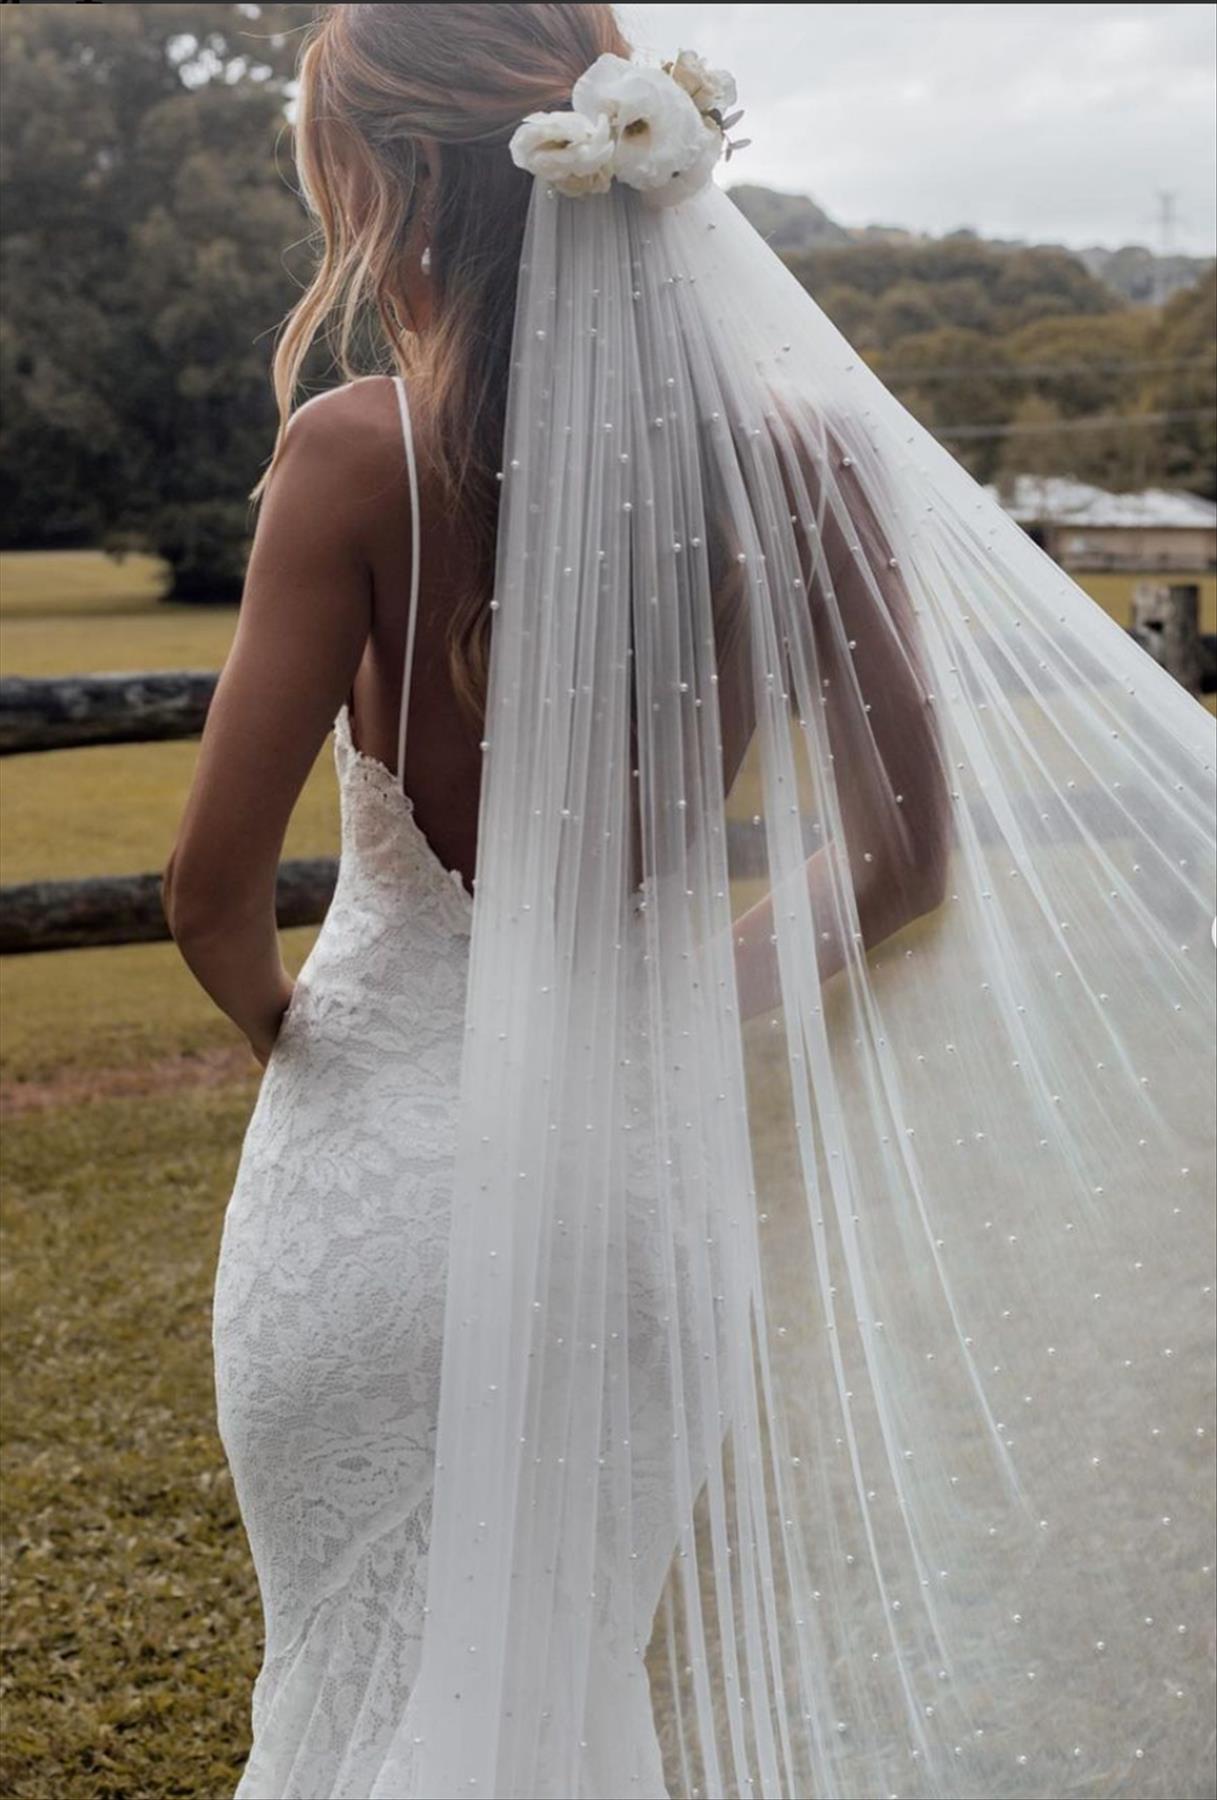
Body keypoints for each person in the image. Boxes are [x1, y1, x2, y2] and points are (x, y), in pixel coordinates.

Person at [164, 7, 1216, 1797]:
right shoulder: (802, 458)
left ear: (401, 180)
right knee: (566, 1675)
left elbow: (206, 892)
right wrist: (665, 997)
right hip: (640, 1197)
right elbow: (905, 858)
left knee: (355, 1674)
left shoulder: (354, 455)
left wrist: (332, 1043)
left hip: (374, 1188)